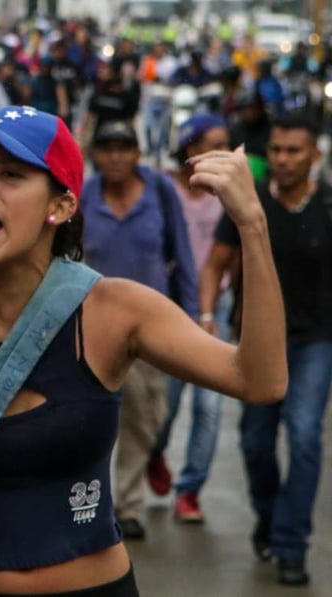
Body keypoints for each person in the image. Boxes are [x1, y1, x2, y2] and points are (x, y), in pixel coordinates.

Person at [0, 105, 287, 596]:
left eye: (10, 174)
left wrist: (252, 225)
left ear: (60, 206)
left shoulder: (116, 310)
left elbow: (261, 380)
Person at [199, 114, 332, 586]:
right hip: (254, 340)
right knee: (255, 443)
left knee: (303, 437)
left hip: (315, 340)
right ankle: (269, 515)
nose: (283, 159)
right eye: (276, 150)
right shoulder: (247, 204)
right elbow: (214, 265)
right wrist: (208, 316)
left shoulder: (327, 206)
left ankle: (292, 544)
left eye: (294, 151)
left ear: (314, 155)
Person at [80, 120, 199, 540]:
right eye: (106, 148)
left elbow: (182, 255)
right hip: (90, 331)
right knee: (88, 422)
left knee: (148, 419)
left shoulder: (160, 192)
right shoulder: (84, 196)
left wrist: (195, 318)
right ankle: (109, 507)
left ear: (137, 154)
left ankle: (129, 497)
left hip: (151, 330)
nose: (115, 156)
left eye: (123, 148)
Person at [149, 114, 233, 524]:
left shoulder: (229, 193)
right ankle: (153, 451)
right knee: (165, 403)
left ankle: (191, 490)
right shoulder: (164, 189)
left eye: (225, 143)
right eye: (212, 143)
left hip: (216, 306)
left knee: (209, 406)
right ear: (190, 146)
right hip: (170, 306)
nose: (220, 150)